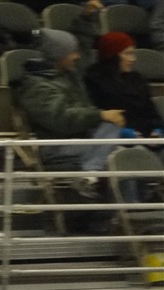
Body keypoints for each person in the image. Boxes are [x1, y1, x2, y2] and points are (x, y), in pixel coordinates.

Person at [16, 29, 126, 198]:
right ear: (58, 55)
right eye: (72, 52)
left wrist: (87, 21)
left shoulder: (68, 76)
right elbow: (60, 120)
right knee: (121, 151)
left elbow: (84, 49)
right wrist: (99, 115)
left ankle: (125, 204)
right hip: (56, 147)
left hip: (83, 140)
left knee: (131, 148)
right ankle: (90, 175)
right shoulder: (37, 86)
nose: (77, 56)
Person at [85, 32, 163, 140]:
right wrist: (125, 132)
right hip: (114, 138)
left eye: (133, 53)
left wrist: (157, 130)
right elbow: (96, 116)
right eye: (128, 54)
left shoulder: (137, 79)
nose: (133, 59)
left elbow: (151, 112)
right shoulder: (94, 80)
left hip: (147, 137)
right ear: (113, 55)